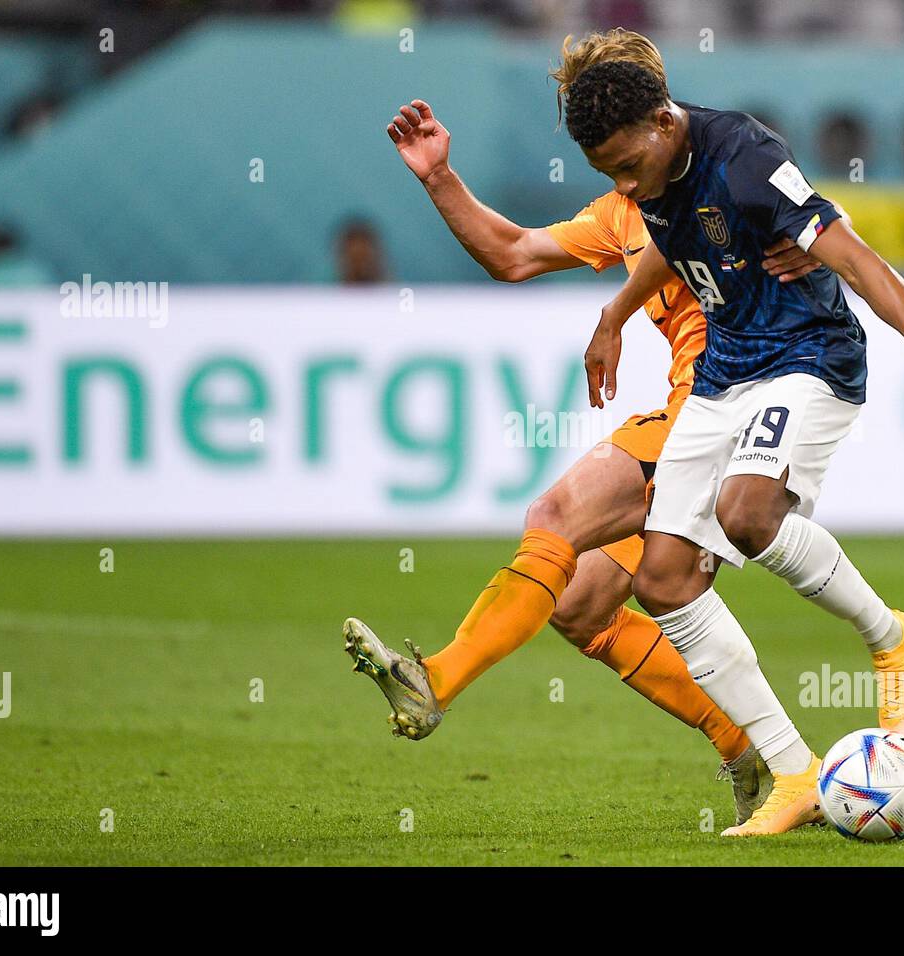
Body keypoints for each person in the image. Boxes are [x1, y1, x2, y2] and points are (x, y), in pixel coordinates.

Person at [343, 30, 826, 826]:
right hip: (693, 413)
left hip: (732, 403)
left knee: (555, 518)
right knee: (582, 605)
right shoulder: (618, 210)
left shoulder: (724, 173)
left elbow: (803, 220)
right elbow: (514, 253)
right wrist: (440, 180)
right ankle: (754, 754)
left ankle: (436, 680)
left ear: (657, 116)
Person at [565, 51, 904, 836]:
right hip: (723, 373)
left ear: (663, 124)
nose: (623, 188)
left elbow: (852, 254)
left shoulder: (749, 160)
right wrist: (614, 315)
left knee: (748, 513)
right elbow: (667, 235)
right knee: (661, 581)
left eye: (627, 167)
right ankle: (794, 774)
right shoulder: (655, 171)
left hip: (808, 357)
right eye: (608, 173)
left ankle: (893, 640)